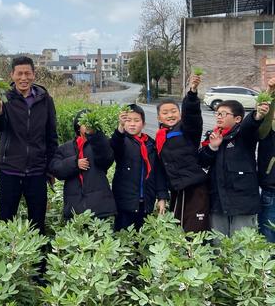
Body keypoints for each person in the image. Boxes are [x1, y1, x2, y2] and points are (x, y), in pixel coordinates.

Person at [0, 56, 58, 234]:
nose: (23, 78)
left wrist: (50, 168)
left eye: (27, 73)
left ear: (34, 75)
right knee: (6, 221)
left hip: (36, 171)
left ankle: (38, 262)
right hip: (10, 170)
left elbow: (51, 136)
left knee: (37, 224)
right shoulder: (4, 98)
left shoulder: (45, 99)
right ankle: (7, 258)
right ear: (12, 75)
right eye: (19, 73)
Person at [199, 99, 268, 237]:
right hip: (218, 201)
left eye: (223, 114)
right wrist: (213, 147)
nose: (219, 116)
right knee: (218, 245)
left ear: (237, 119)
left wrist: (258, 115)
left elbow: (249, 125)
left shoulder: (244, 135)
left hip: (243, 202)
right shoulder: (213, 135)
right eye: (217, 113)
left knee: (241, 246)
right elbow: (202, 161)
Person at [155, 74, 210, 232]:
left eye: (173, 111)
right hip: (178, 190)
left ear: (180, 114)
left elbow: (193, 118)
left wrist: (192, 93)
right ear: (159, 117)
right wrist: (162, 196)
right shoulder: (159, 138)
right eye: (165, 113)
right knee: (178, 230)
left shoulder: (186, 130)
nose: (170, 115)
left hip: (195, 189)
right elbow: (160, 170)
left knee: (194, 232)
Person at [49, 110, 116, 221]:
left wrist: (97, 137)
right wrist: (75, 163)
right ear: (78, 127)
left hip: (99, 207)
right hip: (75, 206)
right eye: (85, 124)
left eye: (91, 124)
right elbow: (56, 169)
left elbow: (107, 160)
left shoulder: (101, 143)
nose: (88, 127)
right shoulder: (65, 148)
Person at [111, 104, 168, 231]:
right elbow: (115, 145)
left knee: (143, 242)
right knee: (124, 241)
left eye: (136, 120)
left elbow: (158, 173)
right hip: (125, 203)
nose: (132, 124)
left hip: (146, 202)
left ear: (143, 124)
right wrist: (119, 128)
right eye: (128, 120)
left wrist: (162, 197)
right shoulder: (122, 140)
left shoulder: (151, 144)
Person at [258, 78, 275, 242]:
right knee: (268, 238)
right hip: (272, 190)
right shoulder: (267, 129)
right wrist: (269, 91)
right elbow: (262, 111)